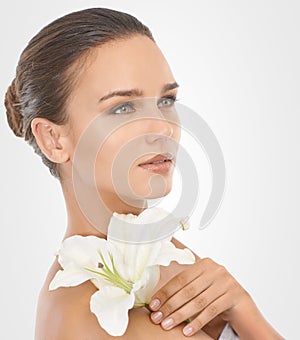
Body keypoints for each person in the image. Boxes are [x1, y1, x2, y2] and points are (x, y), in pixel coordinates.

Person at [5, 7, 284, 340]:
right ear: (53, 139)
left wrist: (244, 310)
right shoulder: (82, 318)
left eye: (166, 100)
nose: (163, 128)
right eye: (122, 107)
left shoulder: (166, 253)